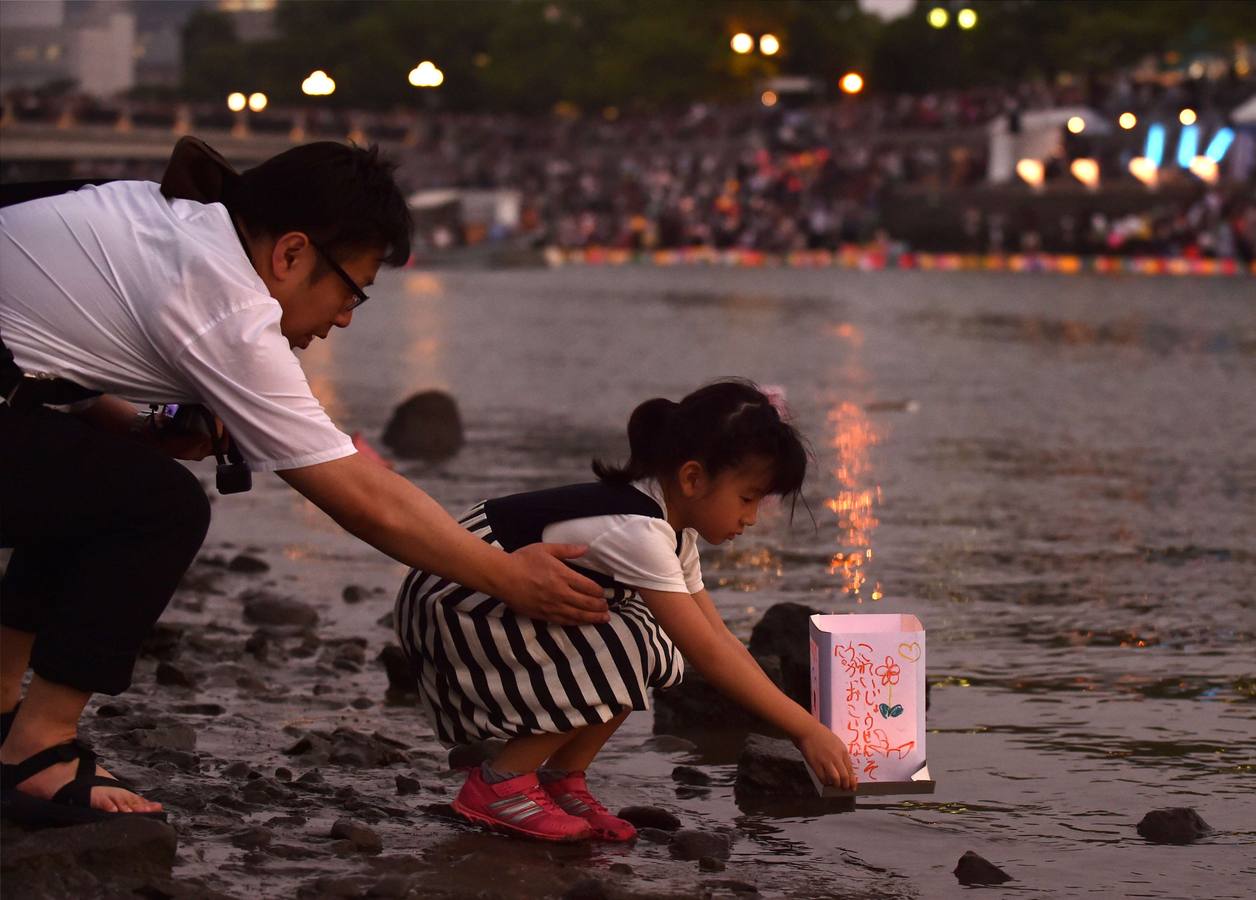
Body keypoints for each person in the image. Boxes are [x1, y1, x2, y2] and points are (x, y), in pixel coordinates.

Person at [0, 139, 605, 827]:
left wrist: (130, 425)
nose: (345, 318)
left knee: (102, 476)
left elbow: (38, 341)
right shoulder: (226, 300)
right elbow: (363, 499)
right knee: (157, 506)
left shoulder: (163, 217)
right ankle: (37, 750)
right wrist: (508, 577)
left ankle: (2, 714)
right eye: (351, 291)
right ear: (290, 254)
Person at [394, 379, 857, 842]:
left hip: (489, 602)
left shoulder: (674, 532)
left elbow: (719, 640)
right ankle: (501, 783)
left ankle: (562, 778)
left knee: (650, 638)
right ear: (693, 478)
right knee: (636, 644)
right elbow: (709, 653)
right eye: (747, 498)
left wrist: (806, 725)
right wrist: (804, 731)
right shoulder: (638, 530)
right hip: (455, 601)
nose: (751, 518)